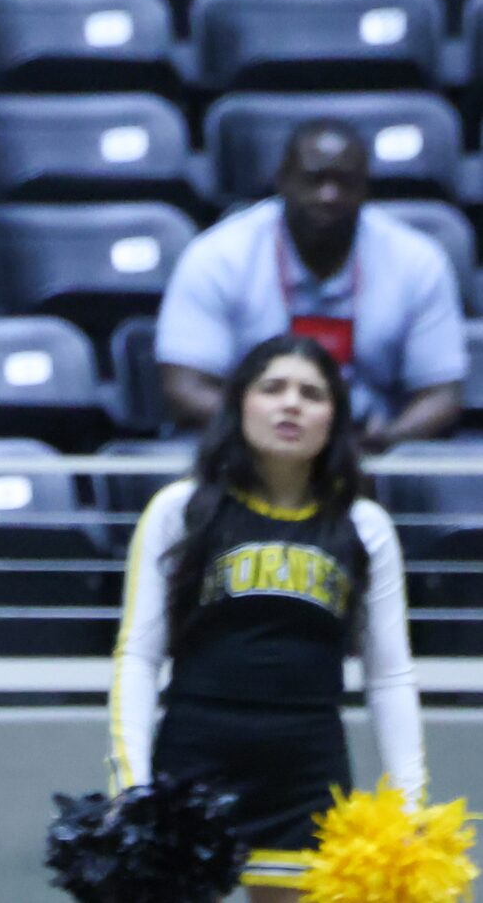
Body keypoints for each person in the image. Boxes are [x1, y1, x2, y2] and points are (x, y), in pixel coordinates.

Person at [110, 334, 424, 896]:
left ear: (335, 417)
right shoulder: (181, 510)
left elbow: (390, 676)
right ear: (239, 405)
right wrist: (130, 780)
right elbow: (138, 655)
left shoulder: (365, 524)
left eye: (312, 393)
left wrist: (409, 799)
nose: (291, 404)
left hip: (306, 772)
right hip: (191, 761)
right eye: (272, 388)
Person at [156, 120, 466, 453]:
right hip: (246, 449)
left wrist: (385, 439)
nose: (329, 194)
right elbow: (184, 386)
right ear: (283, 181)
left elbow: (442, 395)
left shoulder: (416, 260)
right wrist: (277, 437)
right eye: (314, 179)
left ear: (365, 189)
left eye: (344, 182)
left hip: (372, 452)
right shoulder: (217, 256)